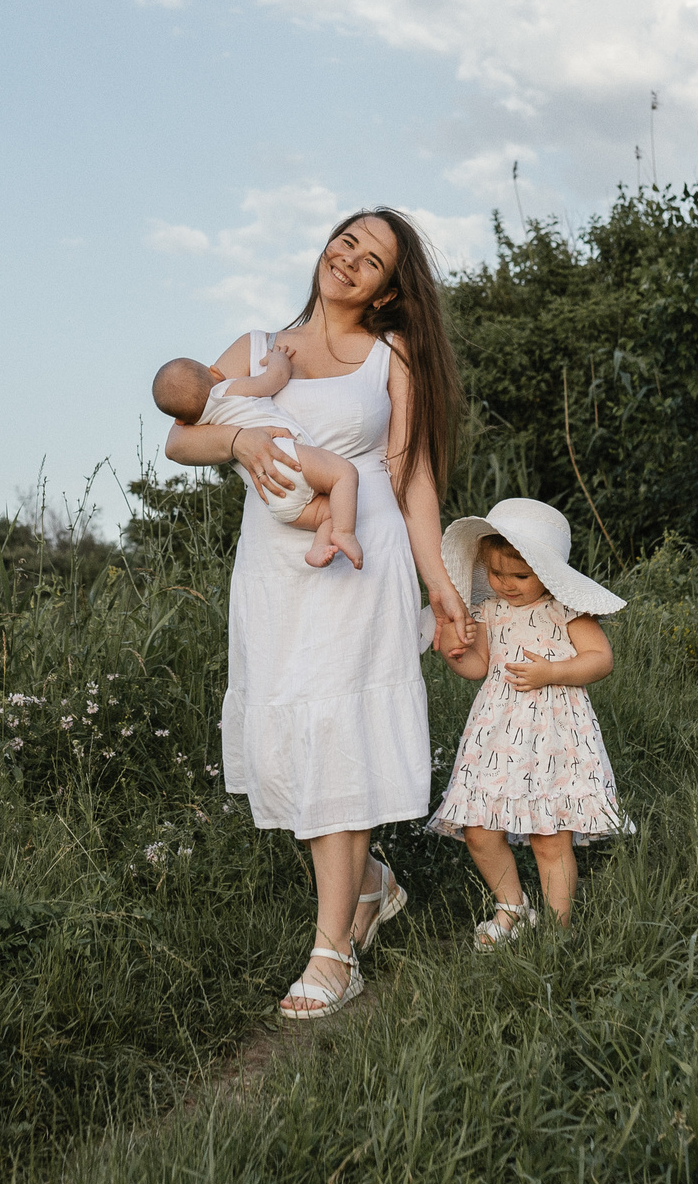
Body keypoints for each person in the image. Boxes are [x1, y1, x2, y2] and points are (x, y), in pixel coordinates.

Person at [162, 208, 470, 1021]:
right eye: (346, 241)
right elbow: (180, 439)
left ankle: (334, 953)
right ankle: (370, 883)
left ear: (389, 287)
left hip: (358, 562)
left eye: (371, 258)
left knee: (336, 740)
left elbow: (414, 478)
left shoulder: (391, 355)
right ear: (326, 245)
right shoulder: (261, 348)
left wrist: (440, 584)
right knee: (287, 751)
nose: (350, 258)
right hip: (272, 572)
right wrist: (240, 445)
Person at [428, 499, 629, 943]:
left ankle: (557, 927)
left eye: (521, 576)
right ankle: (512, 907)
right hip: (496, 731)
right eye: (498, 574)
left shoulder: (565, 610)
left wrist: (552, 671)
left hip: (555, 733)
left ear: (547, 573)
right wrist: (454, 653)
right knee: (479, 829)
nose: (508, 585)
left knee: (549, 836)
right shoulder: (490, 611)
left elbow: (600, 660)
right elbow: (480, 667)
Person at [152, 345, 363, 570]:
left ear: (180, 421)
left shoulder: (201, 429)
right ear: (215, 373)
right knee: (344, 474)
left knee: (327, 514)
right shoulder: (227, 389)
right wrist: (277, 359)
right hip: (284, 455)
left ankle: (318, 547)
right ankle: (344, 533)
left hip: (276, 498)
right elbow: (275, 379)